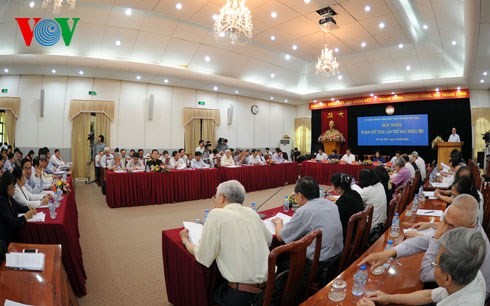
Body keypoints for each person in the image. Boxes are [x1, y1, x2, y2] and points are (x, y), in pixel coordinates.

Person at [359, 194, 490, 298]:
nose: (443, 229)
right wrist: (390, 253)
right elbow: (425, 240)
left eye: (451, 226)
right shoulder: (465, 228)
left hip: (467, 295)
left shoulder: (472, 248)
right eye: (444, 221)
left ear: (470, 227)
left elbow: (426, 274)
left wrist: (436, 237)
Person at [180, 180, 272, 306]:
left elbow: (203, 256)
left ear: (222, 198)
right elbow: (269, 240)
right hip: (271, 289)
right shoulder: (251, 212)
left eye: (215, 197)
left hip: (242, 296)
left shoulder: (217, 214)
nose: (215, 200)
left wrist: (185, 241)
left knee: (209, 293)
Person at [357, 227, 487, 306]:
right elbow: (429, 296)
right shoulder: (470, 273)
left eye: (435, 264)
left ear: (447, 279)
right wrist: (388, 298)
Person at [272, 177, 343, 280]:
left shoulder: (305, 211)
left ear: (300, 196)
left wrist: (279, 222)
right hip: (337, 257)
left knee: (279, 257)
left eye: (295, 194)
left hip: (319, 264)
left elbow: (281, 237)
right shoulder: (330, 204)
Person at [0, 171, 37, 246]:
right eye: (12, 186)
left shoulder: (9, 197)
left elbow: (19, 207)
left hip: (14, 232)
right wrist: (26, 216)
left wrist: (29, 209)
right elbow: (12, 221)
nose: (14, 189)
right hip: (7, 238)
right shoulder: (1, 200)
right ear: (6, 186)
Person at [328, 173, 364, 242]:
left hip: (349, 236)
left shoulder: (343, 201)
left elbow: (335, 221)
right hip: (359, 231)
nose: (332, 188)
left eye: (332, 186)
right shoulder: (355, 193)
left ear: (339, 188)